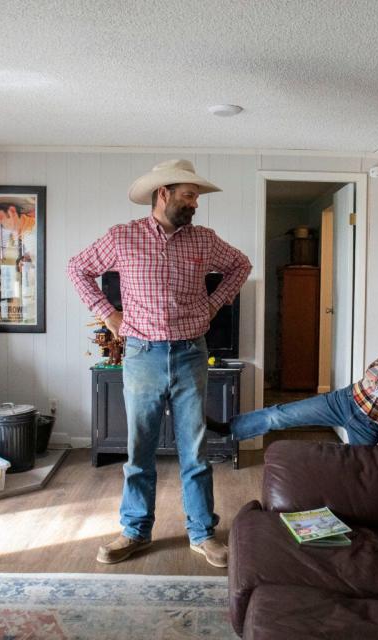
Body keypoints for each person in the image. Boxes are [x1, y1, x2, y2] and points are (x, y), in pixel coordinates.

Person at [67, 159, 251, 568]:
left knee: (195, 449)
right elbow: (77, 268)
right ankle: (134, 531)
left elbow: (241, 265)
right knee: (139, 449)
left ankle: (202, 533)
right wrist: (108, 314)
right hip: (141, 355)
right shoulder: (122, 237)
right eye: (189, 195)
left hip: (190, 353)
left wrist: (213, 303)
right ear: (163, 193)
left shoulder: (204, 240)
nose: (195, 204)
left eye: (197, 198)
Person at [208, 304, 378, 445]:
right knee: (278, 415)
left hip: (371, 424)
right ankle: (226, 429)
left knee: (356, 476)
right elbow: (375, 367)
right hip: (346, 399)